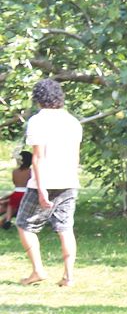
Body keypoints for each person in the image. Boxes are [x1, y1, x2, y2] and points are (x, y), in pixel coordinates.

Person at [16, 79, 83, 287]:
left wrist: (42, 189)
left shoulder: (38, 121)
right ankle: (69, 276)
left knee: (24, 224)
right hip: (69, 181)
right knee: (65, 227)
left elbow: (38, 158)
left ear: (38, 98)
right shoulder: (73, 121)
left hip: (44, 182)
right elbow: (75, 156)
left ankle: (37, 270)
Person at [4, 151, 29, 229]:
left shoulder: (15, 171)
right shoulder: (30, 171)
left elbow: (14, 182)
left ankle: (8, 220)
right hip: (27, 193)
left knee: (10, 206)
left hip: (16, 192)